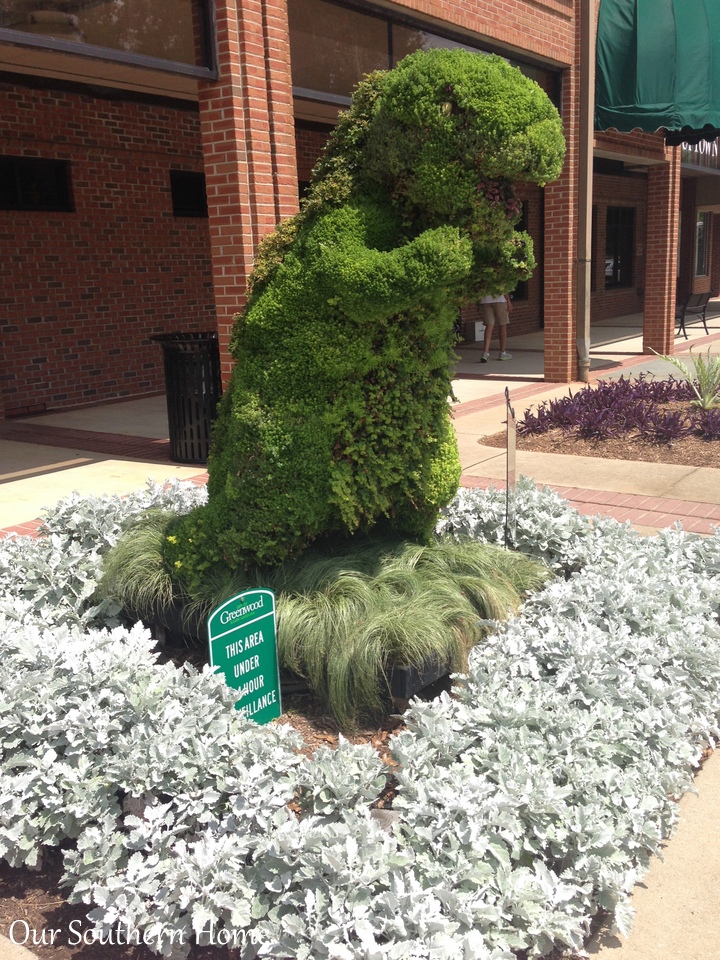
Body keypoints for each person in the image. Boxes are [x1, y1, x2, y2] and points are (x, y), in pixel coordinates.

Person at [479, 293, 513, 362]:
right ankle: (502, 352)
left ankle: (485, 353)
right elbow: (504, 288)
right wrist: (508, 301)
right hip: (500, 299)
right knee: (502, 325)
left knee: (489, 326)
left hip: (486, 300)